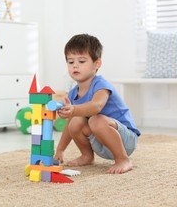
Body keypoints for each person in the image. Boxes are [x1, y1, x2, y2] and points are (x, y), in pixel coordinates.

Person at [54, 34, 140, 174]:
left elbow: (96, 106)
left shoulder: (101, 84)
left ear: (97, 64)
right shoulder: (72, 93)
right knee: (75, 121)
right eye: (70, 62)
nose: (75, 65)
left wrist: (74, 109)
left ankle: (123, 159)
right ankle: (87, 156)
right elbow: (69, 126)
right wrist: (60, 150)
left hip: (125, 141)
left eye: (81, 61)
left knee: (96, 119)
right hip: (100, 142)